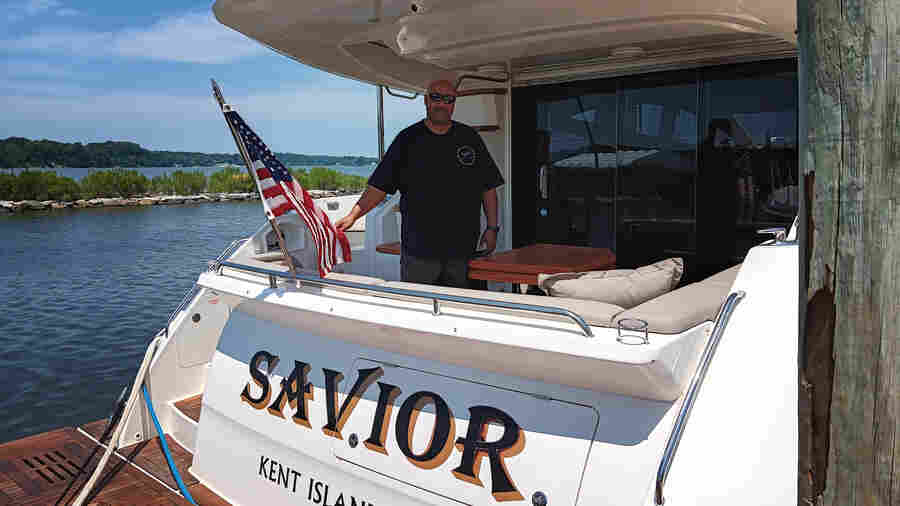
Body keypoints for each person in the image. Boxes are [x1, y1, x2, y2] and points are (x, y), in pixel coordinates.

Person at [335, 79, 504, 288]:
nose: (442, 103)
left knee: (465, 310)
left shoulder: (470, 138)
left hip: (464, 251)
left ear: (454, 103)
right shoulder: (407, 140)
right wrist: (352, 216)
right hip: (419, 253)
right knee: (421, 310)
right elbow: (379, 188)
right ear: (426, 101)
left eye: (448, 99)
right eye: (436, 97)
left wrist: (493, 228)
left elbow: (488, 188)